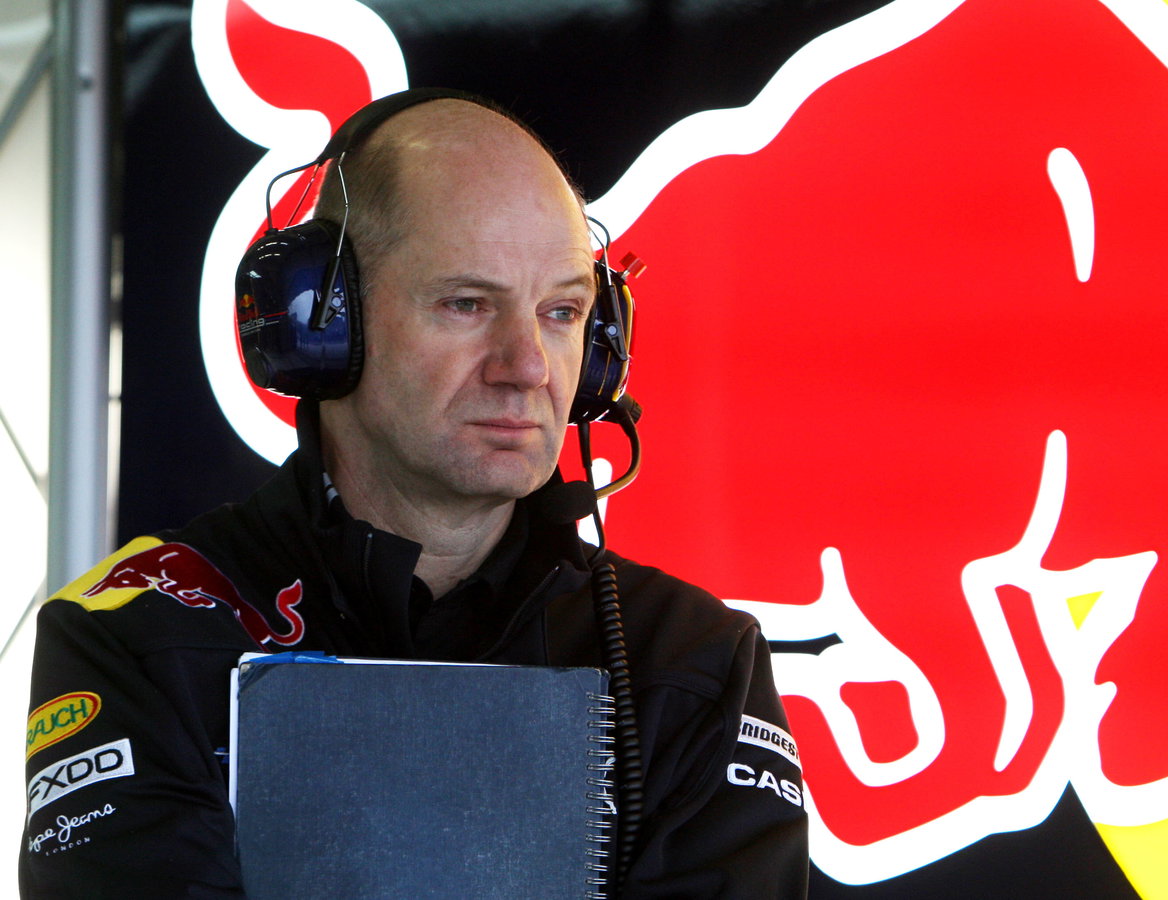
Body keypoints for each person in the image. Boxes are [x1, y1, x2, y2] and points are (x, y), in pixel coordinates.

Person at [20, 92, 808, 898]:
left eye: (563, 311)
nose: (529, 366)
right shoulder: (143, 632)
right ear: (323, 323)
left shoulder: (694, 660)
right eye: (467, 304)